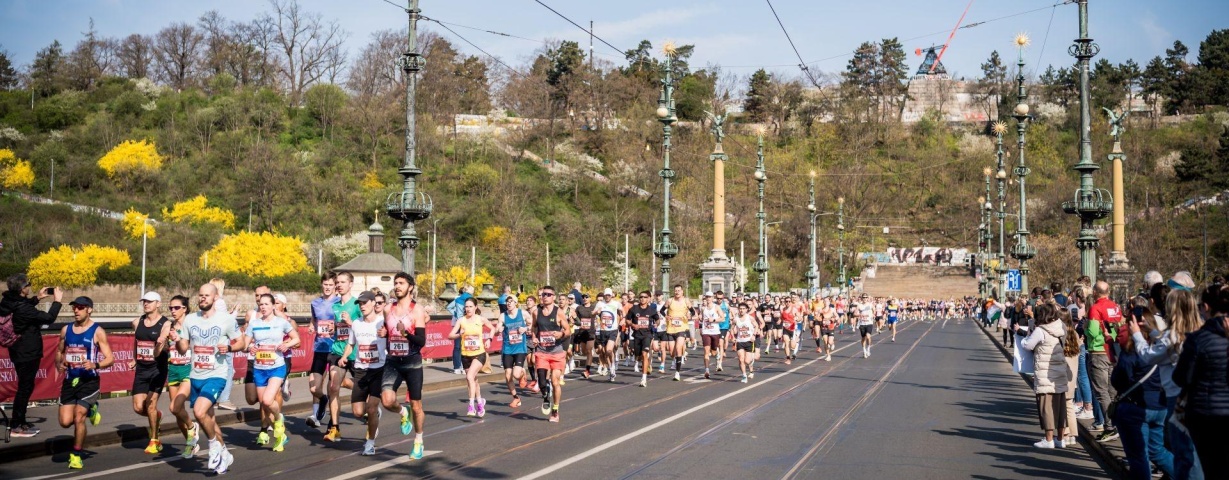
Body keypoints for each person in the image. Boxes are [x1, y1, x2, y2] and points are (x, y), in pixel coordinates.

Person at [172, 283, 243, 475]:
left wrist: (228, 348)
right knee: (207, 419)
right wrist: (177, 339)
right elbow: (183, 349)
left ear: (215, 297)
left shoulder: (226, 319)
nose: (202, 298)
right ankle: (225, 453)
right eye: (200, 295)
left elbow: (241, 342)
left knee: (199, 410)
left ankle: (213, 446)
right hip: (196, 375)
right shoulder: (190, 320)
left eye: (206, 295)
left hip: (217, 374)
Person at [1134, 287, 1204, 480]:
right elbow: (1171, 345)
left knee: (1184, 452)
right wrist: (1154, 332)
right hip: (1200, 398)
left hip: (1176, 398)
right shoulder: (1200, 332)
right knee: (1195, 451)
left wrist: (1137, 335)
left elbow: (1148, 357)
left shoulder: (1171, 336)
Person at [1113, 306, 1175, 480]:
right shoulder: (1162, 347)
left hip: (1136, 406)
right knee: (1158, 451)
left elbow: (1118, 380)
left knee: (1139, 455)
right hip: (1160, 405)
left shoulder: (1132, 351)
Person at [1173, 283, 1229, 479]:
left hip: (1205, 412)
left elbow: (1181, 377)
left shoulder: (1199, 339)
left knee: (1211, 467)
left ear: (1206, 307)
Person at [55, 297, 114, 470]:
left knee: (78, 415)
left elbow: (110, 359)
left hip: (89, 381)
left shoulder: (97, 331)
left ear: (89, 310)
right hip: (70, 381)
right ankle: (92, 410)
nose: (76, 311)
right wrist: (60, 363)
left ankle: (76, 454)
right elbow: (59, 352)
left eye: (80, 307)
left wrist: (95, 364)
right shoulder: (66, 330)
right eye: (74, 307)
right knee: (65, 422)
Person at [2, 273, 63, 437]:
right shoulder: (23, 309)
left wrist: (37, 298)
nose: (29, 286)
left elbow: (21, 306)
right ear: (23, 289)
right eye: (28, 285)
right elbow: (49, 318)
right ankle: (16, 425)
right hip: (27, 352)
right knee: (25, 388)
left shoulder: (8, 301)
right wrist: (57, 301)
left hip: (16, 350)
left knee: (24, 386)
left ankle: (20, 420)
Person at [379, 272, 429, 460]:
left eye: (401, 283)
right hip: (393, 361)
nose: (397, 286)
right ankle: (402, 412)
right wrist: (384, 332)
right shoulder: (387, 309)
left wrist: (406, 334)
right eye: (395, 283)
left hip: (412, 362)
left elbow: (421, 341)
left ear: (410, 287)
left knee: (417, 406)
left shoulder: (417, 310)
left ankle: (418, 441)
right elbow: (387, 331)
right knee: (387, 400)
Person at [244, 293, 299, 453]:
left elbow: (296, 338)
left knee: (268, 400)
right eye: (261, 304)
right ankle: (280, 433)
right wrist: (250, 347)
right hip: (260, 368)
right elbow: (245, 344)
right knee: (264, 404)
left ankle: (279, 420)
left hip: (277, 367)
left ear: (273, 306)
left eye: (267, 304)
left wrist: (286, 344)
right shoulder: (253, 324)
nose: (263, 307)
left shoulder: (281, 322)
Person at [337, 291, 386, 456]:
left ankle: (370, 443)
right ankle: (375, 413)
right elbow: (351, 344)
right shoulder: (356, 324)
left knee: (371, 408)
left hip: (379, 369)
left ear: (373, 303)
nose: (362, 306)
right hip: (361, 370)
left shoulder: (382, 323)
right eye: (360, 303)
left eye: (365, 302)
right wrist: (344, 356)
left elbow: (393, 341)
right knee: (358, 412)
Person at [1018, 303, 1069, 448]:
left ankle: (1048, 439)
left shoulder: (1041, 330)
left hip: (1045, 372)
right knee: (1060, 407)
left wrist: (1024, 338)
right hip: (1059, 371)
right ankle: (1060, 438)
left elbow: (1027, 345)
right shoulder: (1061, 327)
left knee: (1046, 407)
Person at [129, 292, 171, 454]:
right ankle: (157, 416)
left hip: (157, 369)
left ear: (158, 304)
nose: (146, 304)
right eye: (144, 302)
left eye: (149, 302)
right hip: (141, 370)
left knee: (151, 404)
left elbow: (163, 337)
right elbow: (136, 341)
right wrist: (134, 358)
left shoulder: (165, 323)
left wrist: (161, 343)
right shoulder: (137, 322)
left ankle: (154, 440)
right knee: (139, 407)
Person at [325, 272, 360, 442]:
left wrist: (350, 323)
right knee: (333, 386)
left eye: (342, 282)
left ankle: (369, 408)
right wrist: (334, 329)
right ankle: (335, 427)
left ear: (351, 284)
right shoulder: (335, 306)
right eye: (337, 282)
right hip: (338, 351)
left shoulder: (357, 305)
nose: (339, 285)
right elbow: (339, 330)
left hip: (355, 352)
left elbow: (365, 329)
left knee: (362, 393)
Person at [1087, 280, 1124, 442]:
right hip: (1113, 351)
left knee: (1101, 391)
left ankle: (1109, 426)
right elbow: (1120, 326)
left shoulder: (1095, 308)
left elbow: (1093, 332)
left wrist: (1086, 329)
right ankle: (1117, 424)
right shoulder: (1116, 307)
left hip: (1099, 350)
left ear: (1095, 292)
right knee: (1112, 391)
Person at [165, 295, 200, 459]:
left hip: (188, 370)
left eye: (176, 307)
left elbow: (190, 347)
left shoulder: (192, 325)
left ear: (185, 308)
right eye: (171, 308)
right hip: (173, 370)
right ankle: (191, 443)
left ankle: (192, 426)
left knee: (175, 407)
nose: (173, 311)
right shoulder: (168, 326)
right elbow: (165, 348)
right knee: (177, 413)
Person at [448, 297, 492, 417]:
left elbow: (493, 328)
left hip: (479, 354)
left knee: (469, 376)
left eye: (470, 306)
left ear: (475, 307)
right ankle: (480, 402)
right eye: (466, 307)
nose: (468, 309)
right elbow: (450, 335)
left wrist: (489, 338)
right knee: (472, 380)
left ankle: (471, 405)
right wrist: (459, 334)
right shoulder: (461, 320)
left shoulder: (481, 319)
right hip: (465, 355)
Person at [532, 285, 570, 421]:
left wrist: (561, 333)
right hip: (542, 351)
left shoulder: (559, 312)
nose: (545, 297)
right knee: (542, 381)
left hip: (557, 352)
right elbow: (533, 328)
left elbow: (568, 330)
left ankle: (555, 410)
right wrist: (534, 337)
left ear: (553, 297)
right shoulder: (536, 312)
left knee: (555, 381)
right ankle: (546, 396)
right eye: (543, 294)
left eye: (548, 294)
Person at [307, 272, 338, 428]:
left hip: (335, 348)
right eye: (325, 285)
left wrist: (337, 328)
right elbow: (315, 319)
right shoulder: (315, 303)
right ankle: (321, 403)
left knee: (333, 385)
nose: (327, 288)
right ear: (322, 285)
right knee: (314, 387)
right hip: (319, 347)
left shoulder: (340, 302)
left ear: (335, 286)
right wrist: (312, 326)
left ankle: (328, 420)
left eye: (330, 285)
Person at [498, 294, 530, 407]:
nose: (509, 303)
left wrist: (525, 328)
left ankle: (522, 375)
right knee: (507, 376)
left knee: (516, 374)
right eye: (507, 301)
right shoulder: (503, 316)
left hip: (520, 348)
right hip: (507, 349)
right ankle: (516, 398)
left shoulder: (523, 313)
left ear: (516, 303)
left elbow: (533, 325)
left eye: (511, 301)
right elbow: (499, 326)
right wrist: (499, 328)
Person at [626, 290, 658, 388]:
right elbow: (627, 320)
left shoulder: (651, 310)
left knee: (645, 354)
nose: (642, 299)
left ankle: (643, 379)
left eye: (644, 297)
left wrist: (656, 324)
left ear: (648, 299)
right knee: (638, 356)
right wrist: (632, 324)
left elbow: (657, 319)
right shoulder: (634, 309)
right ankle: (645, 364)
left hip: (647, 335)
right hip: (637, 335)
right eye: (641, 297)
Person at [664, 285, 690, 380]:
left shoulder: (686, 301)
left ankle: (677, 373)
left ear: (682, 291)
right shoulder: (670, 301)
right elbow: (662, 311)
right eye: (675, 290)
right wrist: (666, 316)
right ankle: (678, 358)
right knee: (671, 352)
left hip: (682, 328)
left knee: (678, 348)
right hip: (671, 328)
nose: (677, 292)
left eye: (679, 290)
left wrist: (688, 316)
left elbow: (693, 312)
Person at [447, 285, 475, 375]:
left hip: (457, 323)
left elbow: (448, 307)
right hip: (466, 322)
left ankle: (456, 367)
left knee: (457, 347)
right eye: (472, 289)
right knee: (466, 345)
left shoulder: (458, 298)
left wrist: (455, 314)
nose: (473, 290)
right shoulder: (470, 299)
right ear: (467, 290)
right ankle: (464, 366)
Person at [595, 289, 621, 380]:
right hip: (603, 330)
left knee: (609, 350)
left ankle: (613, 367)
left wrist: (623, 320)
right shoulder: (600, 304)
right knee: (604, 351)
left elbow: (622, 313)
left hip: (613, 330)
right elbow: (593, 314)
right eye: (606, 295)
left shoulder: (616, 304)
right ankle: (611, 369)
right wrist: (596, 312)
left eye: (609, 295)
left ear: (612, 295)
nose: (607, 297)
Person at [732, 302, 759, 383]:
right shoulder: (736, 319)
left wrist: (754, 335)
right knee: (741, 359)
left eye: (743, 309)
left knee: (747, 361)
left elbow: (756, 326)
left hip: (749, 341)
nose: (742, 310)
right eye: (740, 309)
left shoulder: (750, 318)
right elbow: (731, 328)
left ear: (747, 310)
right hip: (740, 341)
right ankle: (744, 375)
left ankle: (751, 361)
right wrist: (733, 337)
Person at [699, 293, 722, 379]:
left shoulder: (716, 307)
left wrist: (714, 320)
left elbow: (722, 318)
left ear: (712, 298)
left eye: (710, 297)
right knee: (706, 351)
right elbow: (701, 320)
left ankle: (717, 354)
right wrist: (701, 327)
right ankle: (707, 370)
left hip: (715, 332)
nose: (708, 298)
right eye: (707, 297)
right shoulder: (703, 308)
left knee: (713, 352)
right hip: (706, 332)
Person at [573, 294, 596, 379]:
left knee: (589, 350)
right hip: (582, 332)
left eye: (586, 297)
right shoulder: (579, 308)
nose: (584, 299)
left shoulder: (594, 307)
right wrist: (574, 322)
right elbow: (575, 318)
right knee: (584, 352)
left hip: (591, 332)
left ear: (590, 298)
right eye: (583, 297)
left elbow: (599, 316)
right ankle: (589, 357)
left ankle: (587, 370)